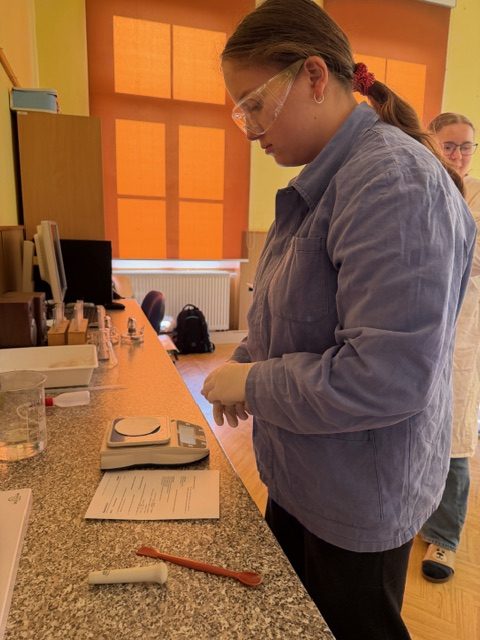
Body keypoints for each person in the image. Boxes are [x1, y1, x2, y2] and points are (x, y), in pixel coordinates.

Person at [201, 1, 476, 638]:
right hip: (305, 474)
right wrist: (247, 361)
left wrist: (255, 383)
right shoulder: (328, 177)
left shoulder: (393, 182)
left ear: (316, 76)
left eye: (255, 105)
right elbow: (293, 309)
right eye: (240, 111)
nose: (250, 129)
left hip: (356, 495)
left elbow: (386, 377)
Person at [419, 112, 480, 583]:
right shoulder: (418, 184)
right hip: (416, 326)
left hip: (462, 328)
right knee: (416, 427)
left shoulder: (477, 194)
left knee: (455, 434)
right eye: (450, 145)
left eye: (466, 146)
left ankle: (445, 537)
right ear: (431, 144)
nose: (458, 155)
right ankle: (415, 511)